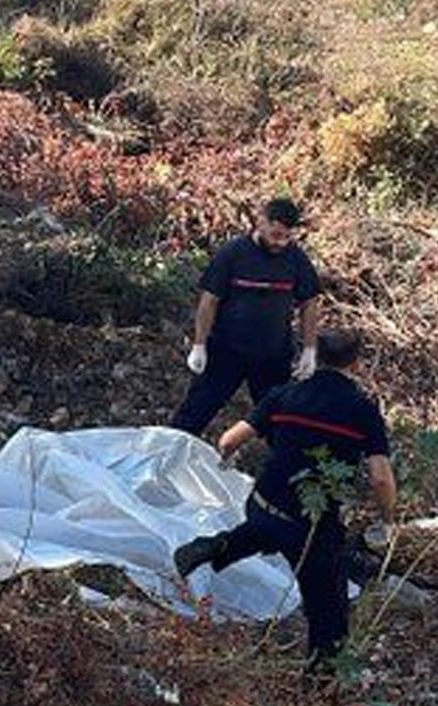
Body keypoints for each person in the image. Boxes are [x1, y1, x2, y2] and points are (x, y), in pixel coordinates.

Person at [173, 329, 397, 666]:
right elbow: (381, 477)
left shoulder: (285, 395)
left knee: (265, 527)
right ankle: (321, 685)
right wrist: (388, 519)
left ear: (315, 357)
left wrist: (226, 460)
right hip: (312, 521)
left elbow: (228, 440)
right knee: (329, 612)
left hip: (264, 504)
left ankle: (220, 545)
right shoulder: (362, 410)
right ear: (356, 364)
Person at [170, 198, 322, 437]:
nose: (279, 243)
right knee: (193, 414)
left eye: (286, 237)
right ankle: (164, 460)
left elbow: (309, 303)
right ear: (261, 222)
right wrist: (199, 344)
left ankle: (287, 473)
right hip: (226, 351)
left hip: (273, 356)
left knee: (279, 424)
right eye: (275, 235)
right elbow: (209, 300)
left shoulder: (296, 259)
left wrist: (310, 350)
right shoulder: (233, 253)